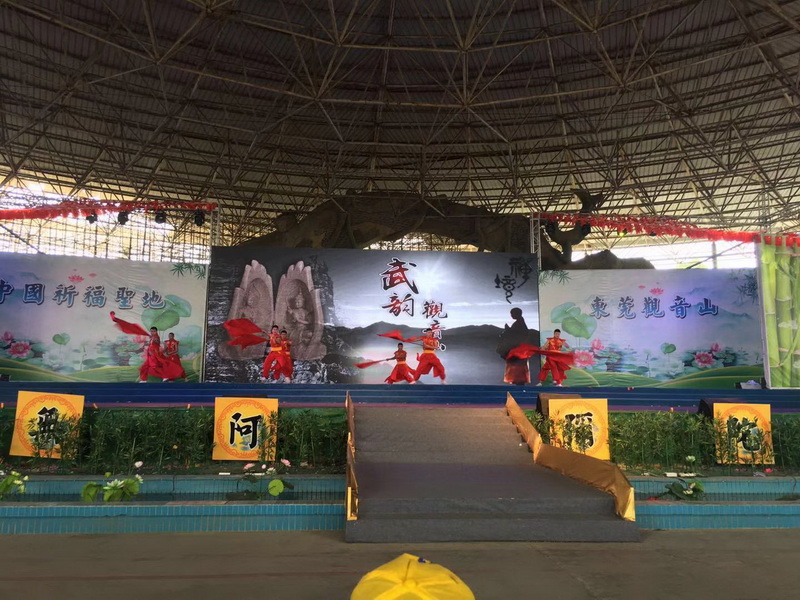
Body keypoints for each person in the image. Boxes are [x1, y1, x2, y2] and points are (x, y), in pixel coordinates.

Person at [497, 307, 532, 385]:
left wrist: (508, 330)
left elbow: (517, 335)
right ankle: (518, 383)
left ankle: (519, 384)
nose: (511, 315)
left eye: (512, 313)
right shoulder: (520, 322)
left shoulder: (519, 323)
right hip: (519, 350)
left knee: (518, 370)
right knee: (518, 369)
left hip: (518, 351)